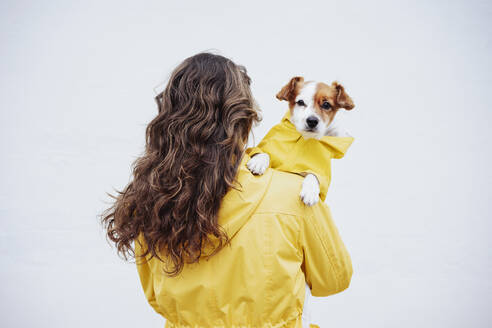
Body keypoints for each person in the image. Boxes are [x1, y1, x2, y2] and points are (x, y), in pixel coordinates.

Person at [100, 52, 353, 328]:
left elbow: (153, 294)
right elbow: (334, 279)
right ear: (244, 120)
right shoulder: (293, 194)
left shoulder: (152, 199)